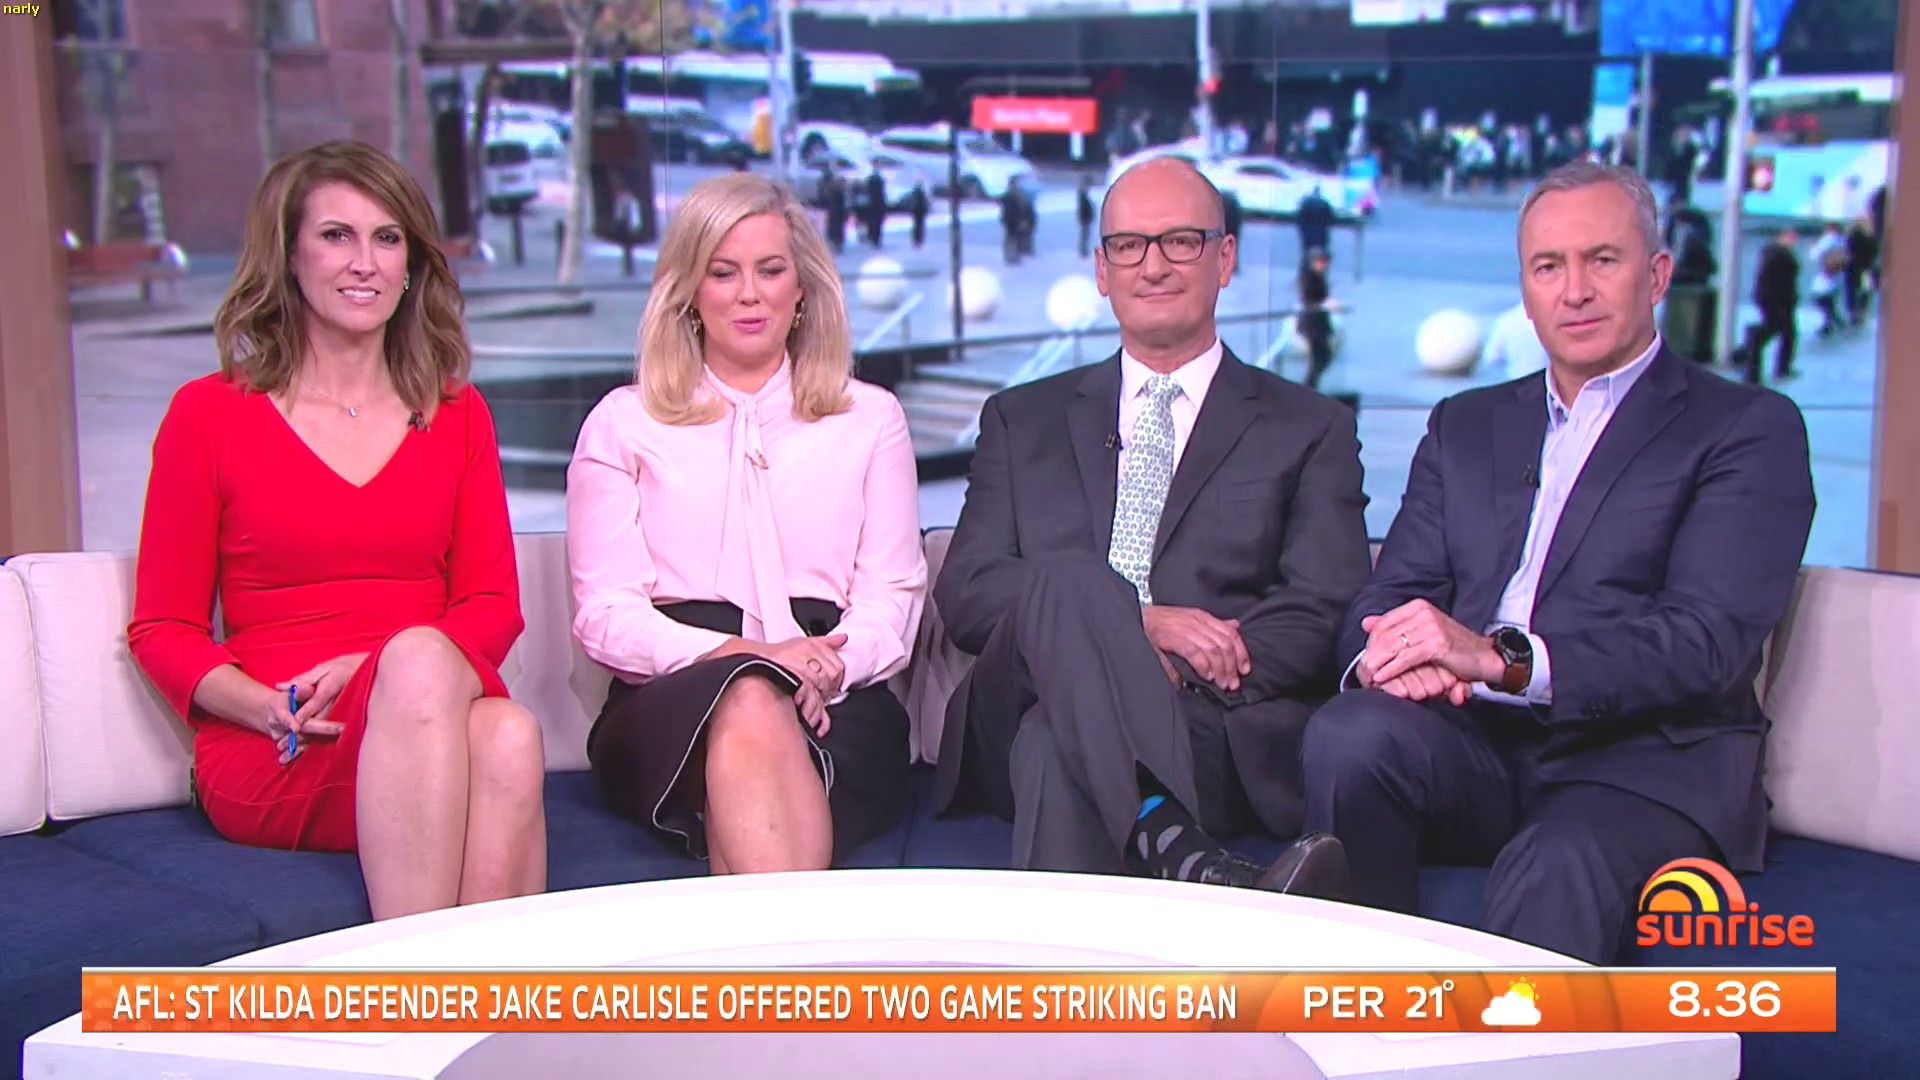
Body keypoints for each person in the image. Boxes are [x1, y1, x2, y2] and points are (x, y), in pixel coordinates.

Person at [1300, 161, 1815, 964]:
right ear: (1527, 288)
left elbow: (1704, 642)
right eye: (1549, 267)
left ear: (1657, 275)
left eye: (1601, 260)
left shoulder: (1745, 428)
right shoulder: (1466, 425)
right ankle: (1364, 1009)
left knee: (1557, 862)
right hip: (1476, 746)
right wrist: (1393, 659)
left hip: (1641, 765)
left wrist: (1502, 659)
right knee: (1350, 735)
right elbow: (1390, 593)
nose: (1574, 291)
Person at [126, 141, 546, 921]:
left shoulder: (457, 415)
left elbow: (492, 605)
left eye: (387, 238)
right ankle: (425, 975)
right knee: (462, 697)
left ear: (411, 264)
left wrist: (379, 670)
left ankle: (445, 990)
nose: (365, 262)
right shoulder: (208, 415)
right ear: (289, 257)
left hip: (428, 707)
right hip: (281, 741)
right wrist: (263, 706)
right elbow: (163, 627)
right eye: (335, 236)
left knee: (506, 733)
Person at [932, 157, 1369, 893]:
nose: (1154, 265)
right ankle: (1192, 864)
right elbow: (969, 591)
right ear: (1102, 270)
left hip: (1204, 727)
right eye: (1130, 245)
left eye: (1181, 242)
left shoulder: (1309, 427)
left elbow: (1324, 607)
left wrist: (1158, 672)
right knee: (1070, 577)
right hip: (1009, 710)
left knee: (1055, 746)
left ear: (1224, 258)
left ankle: (1159, 862)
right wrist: (1134, 629)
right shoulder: (1020, 419)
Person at [567, 173, 924, 874]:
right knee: (749, 700)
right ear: (690, 292)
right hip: (672, 691)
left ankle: (761, 937)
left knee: (758, 713)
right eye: (723, 272)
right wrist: (742, 660)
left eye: (770, 270)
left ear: (802, 288)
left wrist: (829, 665)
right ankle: (794, 940)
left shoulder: (871, 418)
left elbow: (893, 598)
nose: (749, 294)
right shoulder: (623, 423)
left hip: (835, 689)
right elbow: (605, 615)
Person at [1746, 228, 1801, 383]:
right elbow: (1779, 281)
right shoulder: (1779, 255)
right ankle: (1777, 368)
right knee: (1778, 331)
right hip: (1778, 300)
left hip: (1775, 299)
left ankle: (1776, 367)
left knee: (1781, 331)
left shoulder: (1773, 253)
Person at [1297, 247, 1335, 390]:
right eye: (1321, 262)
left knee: (1324, 356)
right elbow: (1308, 299)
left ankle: (1311, 386)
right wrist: (1323, 303)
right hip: (1312, 324)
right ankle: (1309, 387)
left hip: (1320, 323)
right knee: (1318, 357)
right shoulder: (1307, 278)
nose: (1324, 265)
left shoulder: (1320, 277)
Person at [1808, 223, 1848, 337]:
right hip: (1837, 271)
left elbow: (1814, 255)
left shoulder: (1827, 239)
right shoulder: (1842, 240)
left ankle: (1831, 322)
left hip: (1826, 271)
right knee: (1830, 297)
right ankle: (1834, 321)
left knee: (1821, 298)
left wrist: (1813, 248)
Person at [1296, 185, 1334, 267]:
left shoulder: (1306, 203)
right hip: (1321, 236)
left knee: (1308, 258)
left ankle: (1308, 269)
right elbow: (1331, 219)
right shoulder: (1325, 203)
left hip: (1308, 236)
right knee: (1320, 259)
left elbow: (1300, 219)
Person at [1077, 175, 1097, 258]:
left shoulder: (1084, 195)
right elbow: (1083, 208)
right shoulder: (1083, 195)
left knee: (1085, 235)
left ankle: (1084, 250)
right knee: (1084, 235)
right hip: (1085, 218)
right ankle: (1083, 250)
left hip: (1086, 218)